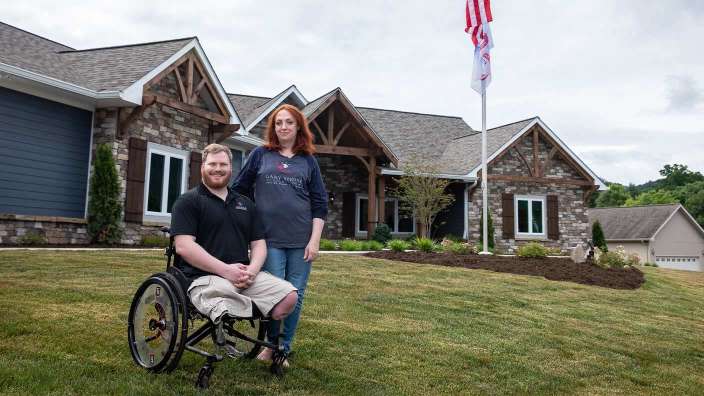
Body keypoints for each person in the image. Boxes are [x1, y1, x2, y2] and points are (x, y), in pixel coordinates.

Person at [233, 104, 328, 366]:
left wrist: (315, 239)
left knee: (296, 294)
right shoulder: (260, 154)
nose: (283, 127)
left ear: (298, 127)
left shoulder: (308, 161)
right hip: (268, 240)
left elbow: (320, 204)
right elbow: (239, 189)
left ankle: (284, 347)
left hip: (301, 241)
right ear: (273, 128)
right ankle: (269, 346)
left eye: (288, 122)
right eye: (278, 123)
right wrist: (246, 219)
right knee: (274, 293)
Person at [170, 143, 298, 327]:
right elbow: (183, 246)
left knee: (289, 296)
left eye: (223, 165)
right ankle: (238, 307)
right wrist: (226, 271)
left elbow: (258, 244)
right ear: (202, 167)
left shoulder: (246, 204)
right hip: (204, 277)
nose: (218, 169)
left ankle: (238, 306)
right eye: (212, 164)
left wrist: (252, 272)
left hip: (243, 277)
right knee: (223, 301)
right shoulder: (188, 201)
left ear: (231, 168)